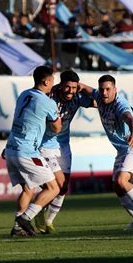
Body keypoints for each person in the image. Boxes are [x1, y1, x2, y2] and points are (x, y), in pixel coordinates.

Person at [81, 75, 133, 230]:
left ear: (115, 90)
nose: (104, 93)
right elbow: (82, 86)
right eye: (102, 89)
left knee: (122, 181)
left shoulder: (120, 105)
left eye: (108, 89)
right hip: (122, 149)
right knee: (117, 185)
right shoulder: (99, 96)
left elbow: (130, 119)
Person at [4, 66, 62, 237]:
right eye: (52, 80)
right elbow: (57, 127)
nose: (53, 84)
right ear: (46, 81)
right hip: (27, 152)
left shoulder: (23, 94)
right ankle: (26, 218)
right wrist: (51, 126)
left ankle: (17, 228)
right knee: (54, 188)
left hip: (11, 149)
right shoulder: (47, 102)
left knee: (28, 189)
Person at [34, 70, 94, 234]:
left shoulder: (77, 97)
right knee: (57, 182)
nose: (71, 91)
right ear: (60, 86)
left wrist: (83, 87)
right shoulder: (48, 97)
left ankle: (49, 221)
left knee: (64, 187)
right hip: (44, 145)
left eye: (74, 88)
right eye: (67, 87)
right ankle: (37, 210)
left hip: (63, 146)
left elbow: (98, 100)